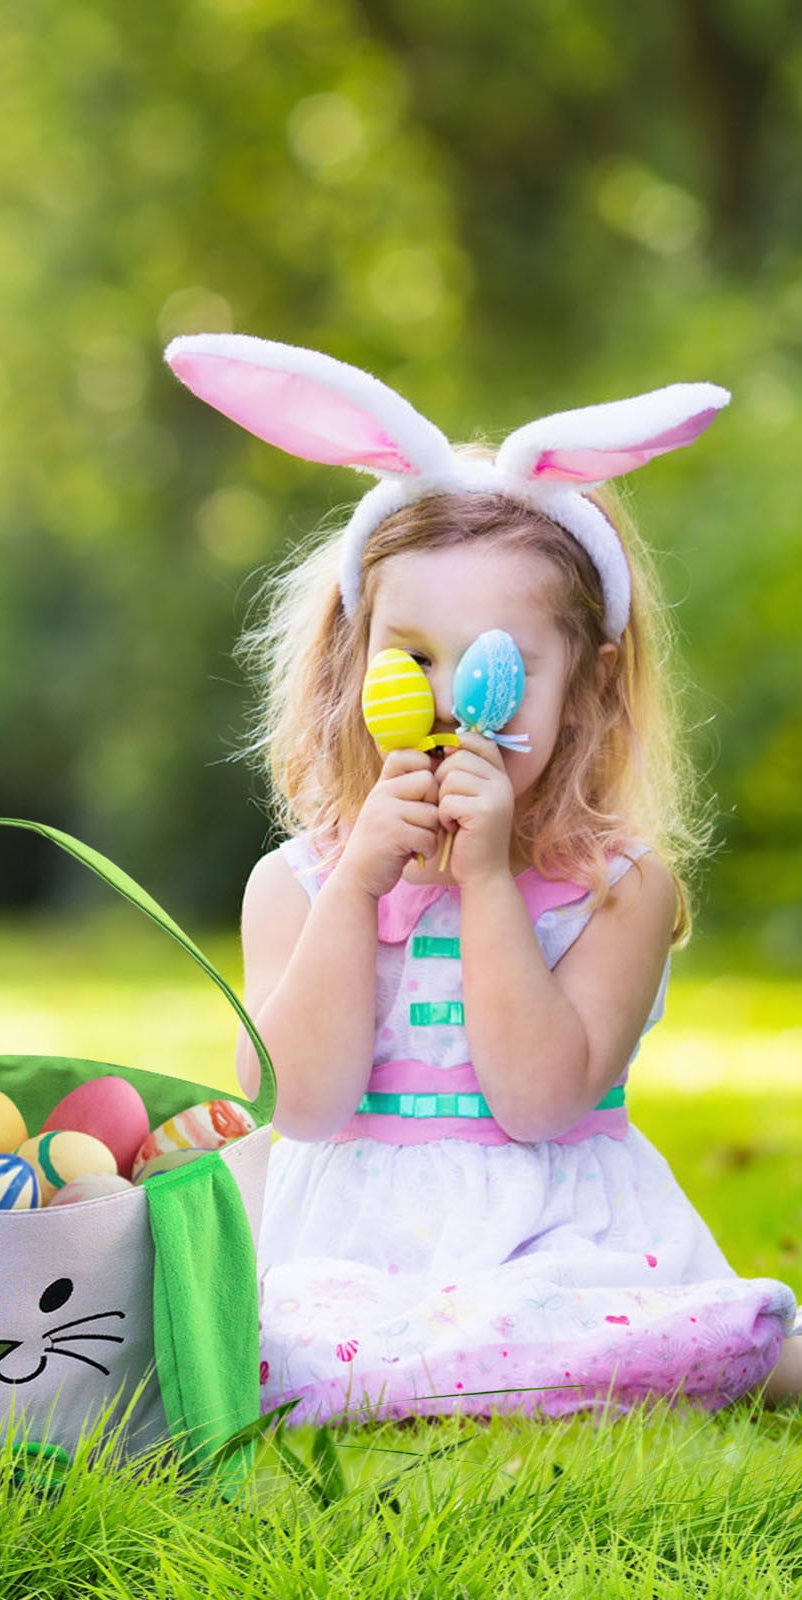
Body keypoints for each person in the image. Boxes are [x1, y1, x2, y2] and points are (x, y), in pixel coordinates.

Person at [164, 333, 799, 1422]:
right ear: (352, 657)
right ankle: (442, 1367)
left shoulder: (615, 889)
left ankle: (519, 1361)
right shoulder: (298, 882)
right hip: (345, 1242)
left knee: (571, 1320)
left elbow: (541, 1101)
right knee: (262, 1332)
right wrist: (357, 891)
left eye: (499, 664)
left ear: (586, 683)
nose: (452, 700)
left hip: (550, 1233)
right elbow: (294, 1104)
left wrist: (493, 885)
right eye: (412, 657)